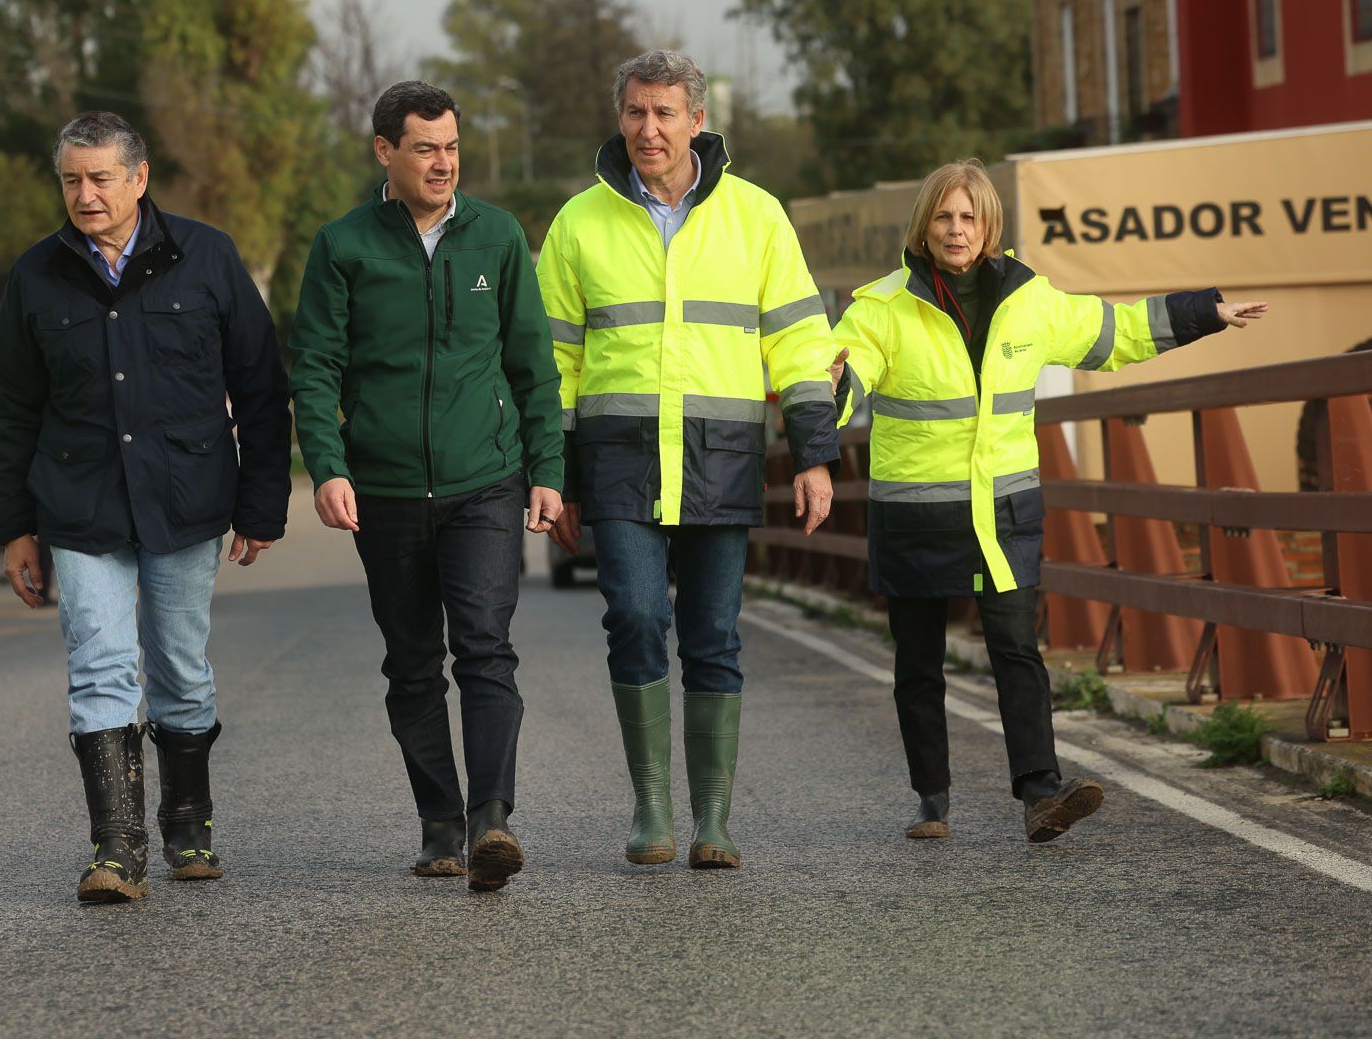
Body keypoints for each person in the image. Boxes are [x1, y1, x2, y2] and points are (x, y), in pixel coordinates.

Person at [831, 159, 1268, 842]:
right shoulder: (883, 306)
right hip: (918, 514)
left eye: (969, 216)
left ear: (989, 226)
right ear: (924, 224)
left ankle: (1041, 793)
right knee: (919, 662)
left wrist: (1202, 313)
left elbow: (1112, 334)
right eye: (944, 216)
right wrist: (826, 389)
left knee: (1016, 646)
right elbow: (844, 378)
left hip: (1001, 514)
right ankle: (932, 800)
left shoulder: (1029, 299)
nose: (956, 229)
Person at [538, 51, 844, 871]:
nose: (649, 129)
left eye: (666, 113)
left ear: (697, 122)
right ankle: (652, 812)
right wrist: (554, 477)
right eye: (636, 112)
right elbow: (551, 363)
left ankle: (713, 820)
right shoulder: (578, 224)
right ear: (620, 117)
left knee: (713, 635)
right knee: (636, 618)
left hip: (723, 457)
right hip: (618, 461)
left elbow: (802, 343)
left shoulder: (757, 217)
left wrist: (814, 455)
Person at [0, 111, 290, 903]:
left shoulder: (208, 257)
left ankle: (188, 824)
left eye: (99, 178)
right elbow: (13, 410)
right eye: (70, 180)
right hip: (80, 505)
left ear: (139, 178)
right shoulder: (36, 275)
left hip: (186, 499)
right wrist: (15, 525)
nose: (84, 196)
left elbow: (260, 387)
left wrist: (261, 504)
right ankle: (115, 848)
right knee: (99, 664)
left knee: (181, 666)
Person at [289, 81, 562, 892]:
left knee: (486, 650)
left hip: (485, 479)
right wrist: (329, 466)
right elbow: (316, 369)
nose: (443, 163)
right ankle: (439, 822)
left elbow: (533, 367)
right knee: (412, 664)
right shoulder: (344, 246)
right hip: (387, 489)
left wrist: (546, 469)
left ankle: (492, 822)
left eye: (451, 147)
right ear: (385, 152)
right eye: (424, 148)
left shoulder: (499, 236)